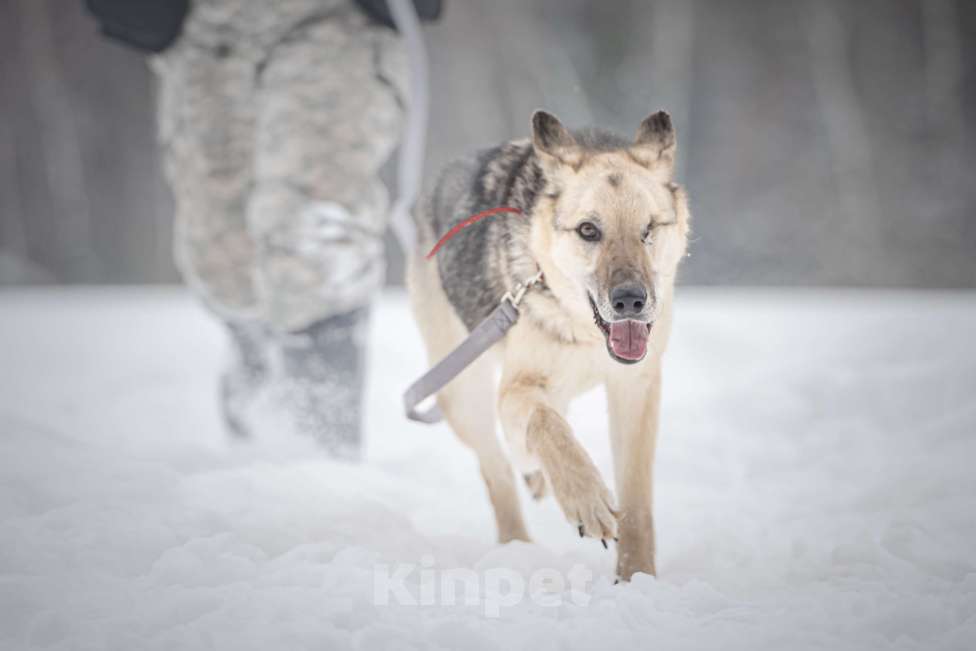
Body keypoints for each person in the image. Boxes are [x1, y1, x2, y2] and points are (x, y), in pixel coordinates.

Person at [86, 0, 441, 458]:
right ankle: (257, 447)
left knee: (311, 231)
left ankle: (320, 462)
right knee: (219, 251)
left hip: (332, 21)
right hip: (202, 33)